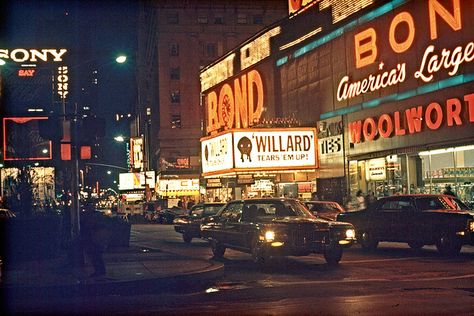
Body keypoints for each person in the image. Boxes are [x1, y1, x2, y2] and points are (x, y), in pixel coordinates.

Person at [80, 204, 110, 277]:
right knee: (96, 255)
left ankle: (99, 271)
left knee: (95, 255)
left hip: (93, 238)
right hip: (95, 238)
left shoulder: (91, 217)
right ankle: (100, 271)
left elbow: (90, 226)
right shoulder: (97, 216)